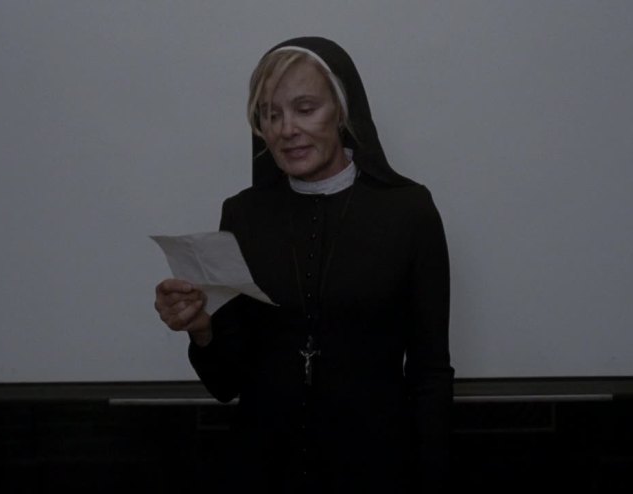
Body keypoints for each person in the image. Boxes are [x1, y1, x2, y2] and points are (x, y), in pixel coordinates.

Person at [154, 37, 453, 493]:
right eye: (270, 115)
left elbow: (430, 370)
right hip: (264, 472)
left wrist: (434, 480)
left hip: (377, 471)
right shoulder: (243, 215)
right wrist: (201, 329)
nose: (286, 129)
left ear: (342, 111)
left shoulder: (408, 211)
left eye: (305, 109)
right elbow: (226, 383)